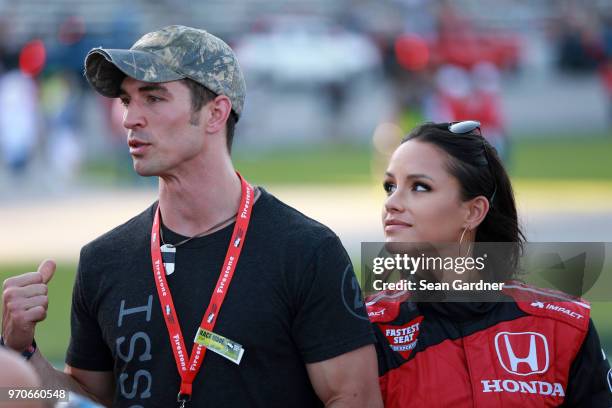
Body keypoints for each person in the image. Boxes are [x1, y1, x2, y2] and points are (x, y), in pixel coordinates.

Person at [1, 25, 382, 408]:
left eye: (153, 98)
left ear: (215, 113)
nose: (130, 118)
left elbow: (354, 399)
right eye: (126, 100)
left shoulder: (306, 252)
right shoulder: (103, 260)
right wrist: (24, 352)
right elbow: (87, 400)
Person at [367, 121, 612, 406]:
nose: (391, 203)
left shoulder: (562, 326)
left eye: (419, 187)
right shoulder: (369, 330)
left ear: (473, 212)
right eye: (390, 186)